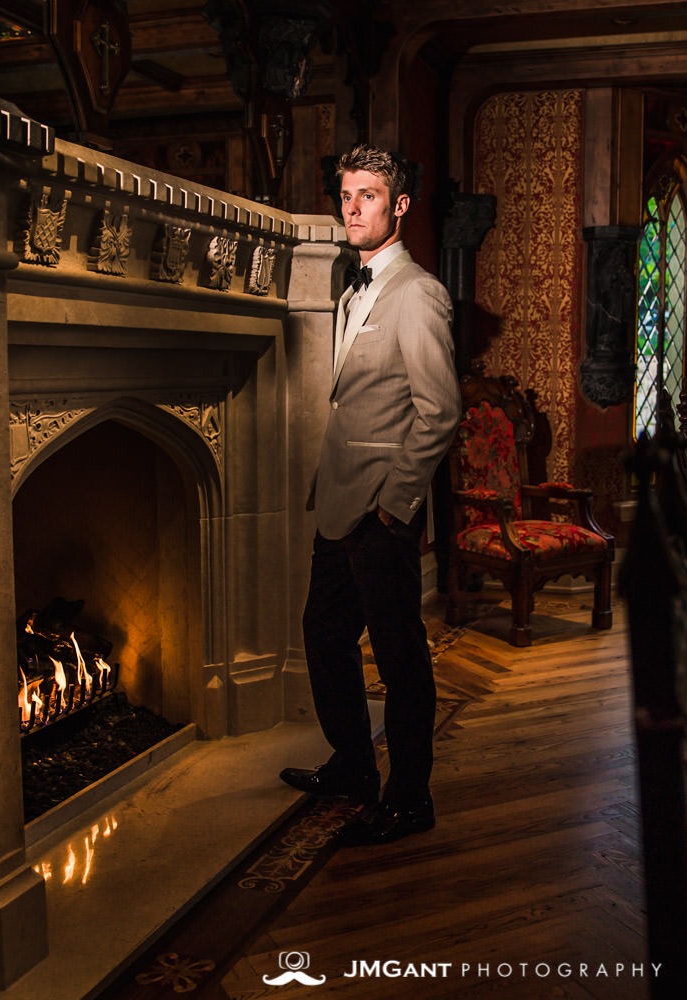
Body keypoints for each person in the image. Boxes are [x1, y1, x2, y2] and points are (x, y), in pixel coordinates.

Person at [280, 145, 461, 846]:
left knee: (399, 657)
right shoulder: (352, 286)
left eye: (369, 196)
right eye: (346, 195)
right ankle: (355, 765)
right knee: (324, 636)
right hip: (338, 506)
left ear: (400, 206)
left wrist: (395, 505)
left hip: (380, 515)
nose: (352, 208)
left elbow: (439, 410)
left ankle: (410, 798)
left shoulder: (417, 294)